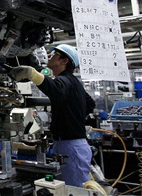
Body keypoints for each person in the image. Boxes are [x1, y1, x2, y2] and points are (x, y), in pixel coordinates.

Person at [11, 44, 96, 187]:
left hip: (71, 146)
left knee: (74, 189)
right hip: (70, 144)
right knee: (69, 186)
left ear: (64, 61)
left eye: (55, 54)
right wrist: (71, 116)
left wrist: (32, 74)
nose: (50, 55)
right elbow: (90, 104)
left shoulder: (65, 80)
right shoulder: (73, 82)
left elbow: (55, 89)